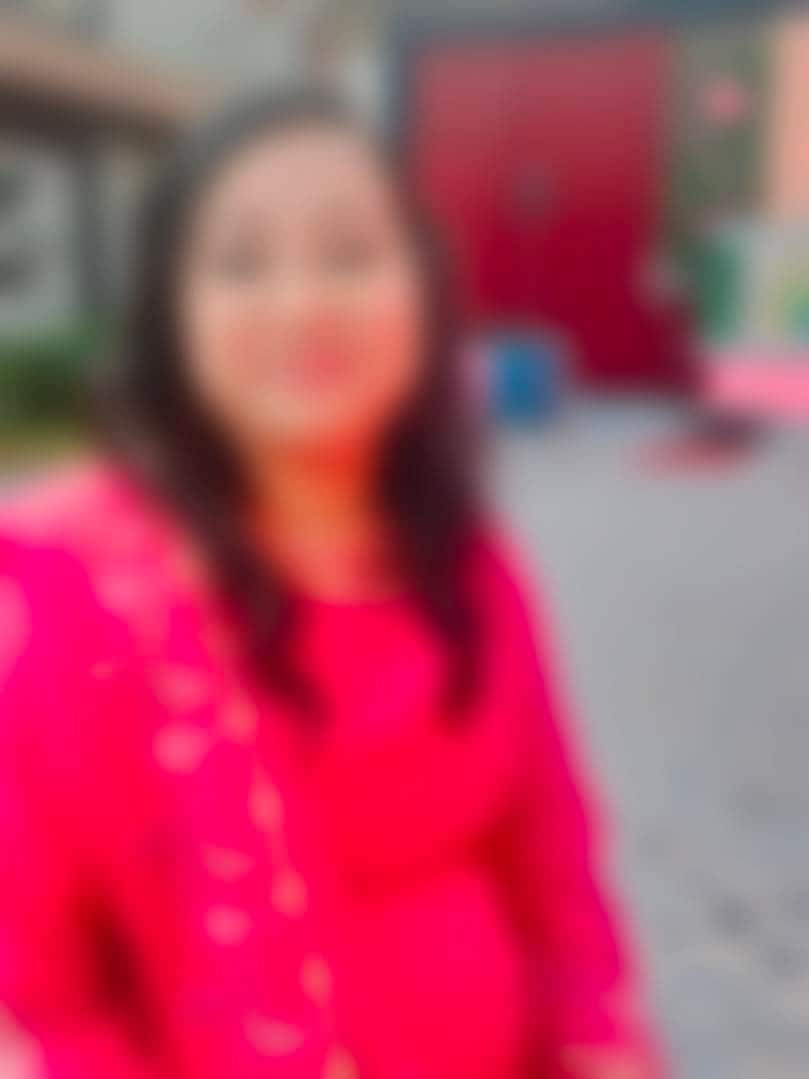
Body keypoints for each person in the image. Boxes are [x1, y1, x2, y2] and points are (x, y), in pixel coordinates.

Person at [0, 87, 662, 1079]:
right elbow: (43, 996)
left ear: (422, 293)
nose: (302, 303)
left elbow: (553, 866)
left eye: (350, 253)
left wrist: (602, 1045)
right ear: (172, 318)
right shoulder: (77, 598)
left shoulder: (470, 565)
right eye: (240, 263)